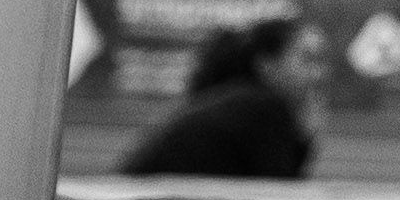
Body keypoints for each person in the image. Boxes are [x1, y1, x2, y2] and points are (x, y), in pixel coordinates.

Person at [120, 17, 326, 180]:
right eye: (307, 59)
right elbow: (280, 193)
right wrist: (305, 141)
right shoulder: (261, 107)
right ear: (266, 64)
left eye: (320, 61)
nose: (319, 74)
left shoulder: (241, 101)